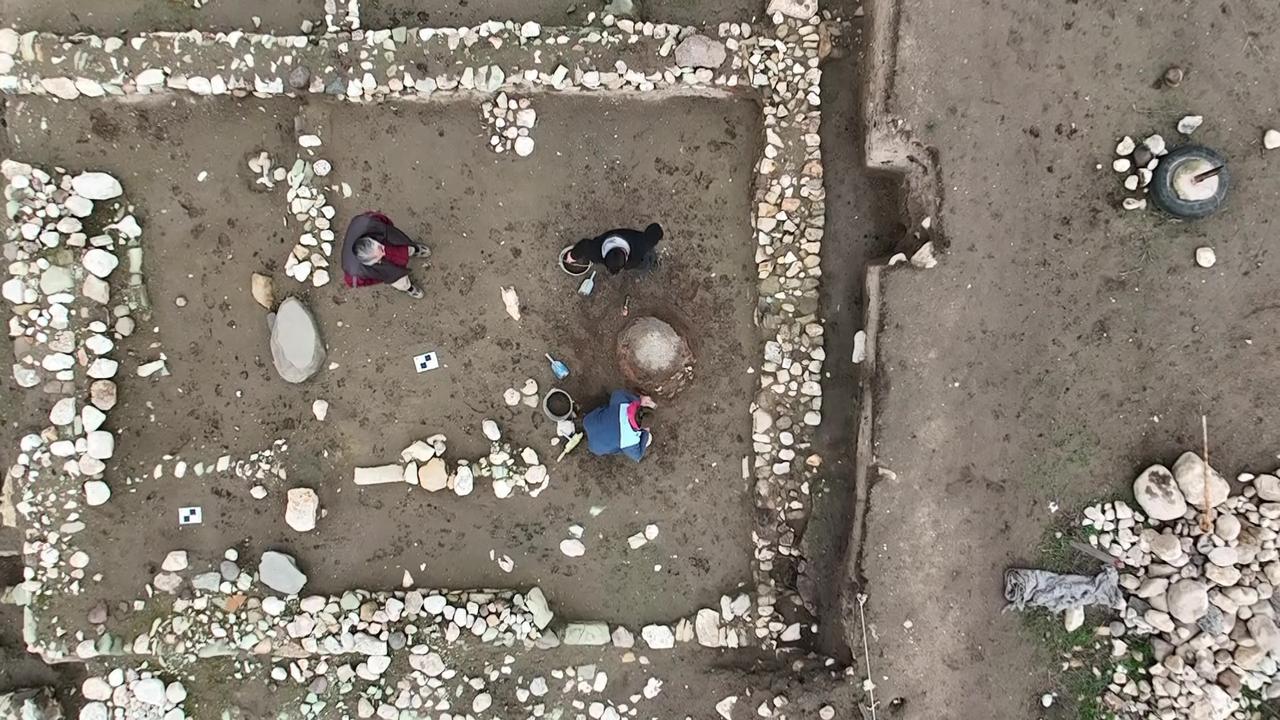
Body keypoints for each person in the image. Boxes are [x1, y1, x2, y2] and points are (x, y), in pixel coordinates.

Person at [341, 212, 430, 298]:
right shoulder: (355, 273)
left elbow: (383, 220)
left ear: (372, 240)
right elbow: (365, 281)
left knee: (405, 246)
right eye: (379, 257)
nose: (384, 252)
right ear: (371, 263)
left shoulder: (369, 222)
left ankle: (414, 250)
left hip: (391, 245)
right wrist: (381, 277)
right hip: (387, 270)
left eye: (380, 248)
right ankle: (409, 288)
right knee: (400, 281)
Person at [582, 389, 656, 462]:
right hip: (595, 446)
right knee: (648, 439)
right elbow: (638, 455)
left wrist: (639, 400)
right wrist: (646, 432)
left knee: (609, 410)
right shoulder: (629, 440)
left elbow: (616, 393)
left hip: (588, 422)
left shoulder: (622, 402)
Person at [566, 223, 663, 275]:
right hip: (630, 244)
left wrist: (572, 255)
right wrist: (572, 256)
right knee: (637, 262)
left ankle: (649, 264)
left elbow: (655, 231)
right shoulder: (595, 252)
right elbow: (584, 245)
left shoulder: (642, 243)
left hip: (635, 250)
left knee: (642, 264)